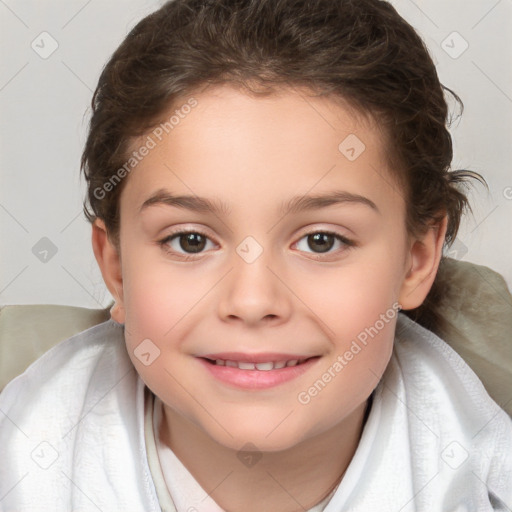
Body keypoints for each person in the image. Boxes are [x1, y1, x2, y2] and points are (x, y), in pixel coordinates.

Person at [0, 0, 510, 510]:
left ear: (417, 259)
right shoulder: (22, 462)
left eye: (321, 241)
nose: (251, 301)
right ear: (115, 267)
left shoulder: (484, 477)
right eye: (190, 240)